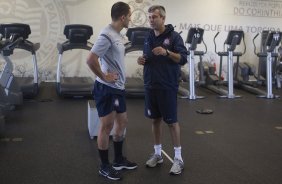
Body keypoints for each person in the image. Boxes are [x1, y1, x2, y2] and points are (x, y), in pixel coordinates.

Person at [87, 1, 137, 181]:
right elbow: (90, 59)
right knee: (106, 126)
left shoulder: (117, 35)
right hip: (107, 89)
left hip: (117, 90)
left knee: (121, 122)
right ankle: (104, 166)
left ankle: (118, 160)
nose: (130, 19)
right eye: (130, 16)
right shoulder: (106, 35)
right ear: (123, 17)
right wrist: (103, 75)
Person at [137, 5, 188, 175]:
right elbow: (147, 57)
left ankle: (178, 159)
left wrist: (167, 52)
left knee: (172, 123)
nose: (151, 20)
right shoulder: (148, 36)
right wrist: (141, 60)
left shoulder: (174, 37)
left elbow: (182, 59)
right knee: (155, 120)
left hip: (167, 86)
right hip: (151, 85)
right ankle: (158, 154)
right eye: (150, 17)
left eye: (154, 17)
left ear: (163, 19)